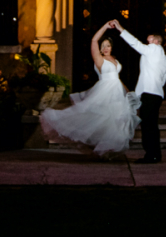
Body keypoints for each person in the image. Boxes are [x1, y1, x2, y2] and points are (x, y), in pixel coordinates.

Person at [38, 20, 139, 157]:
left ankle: (109, 151)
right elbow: (94, 40)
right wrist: (105, 26)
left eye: (108, 45)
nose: (105, 48)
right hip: (104, 91)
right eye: (103, 46)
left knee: (115, 122)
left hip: (117, 92)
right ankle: (103, 151)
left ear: (111, 47)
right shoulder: (99, 59)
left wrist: (127, 91)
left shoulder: (114, 59)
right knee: (101, 118)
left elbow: (117, 78)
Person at [114, 19, 166, 164]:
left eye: (150, 38)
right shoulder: (165, 59)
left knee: (147, 126)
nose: (147, 40)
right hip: (157, 94)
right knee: (152, 125)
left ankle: (151, 155)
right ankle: (155, 154)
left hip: (149, 93)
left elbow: (135, 44)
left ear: (156, 41)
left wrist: (120, 29)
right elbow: (163, 79)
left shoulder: (153, 49)